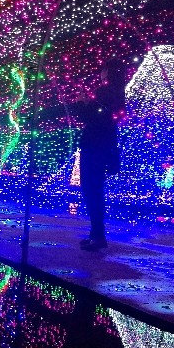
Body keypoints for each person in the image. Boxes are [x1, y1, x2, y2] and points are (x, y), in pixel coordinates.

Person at [73, 57, 127, 251]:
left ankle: (98, 236)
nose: (101, 72)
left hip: (94, 145)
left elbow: (91, 117)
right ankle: (96, 234)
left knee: (92, 191)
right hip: (106, 145)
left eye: (103, 69)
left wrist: (81, 104)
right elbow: (110, 116)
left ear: (107, 72)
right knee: (96, 190)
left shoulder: (104, 92)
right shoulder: (119, 93)